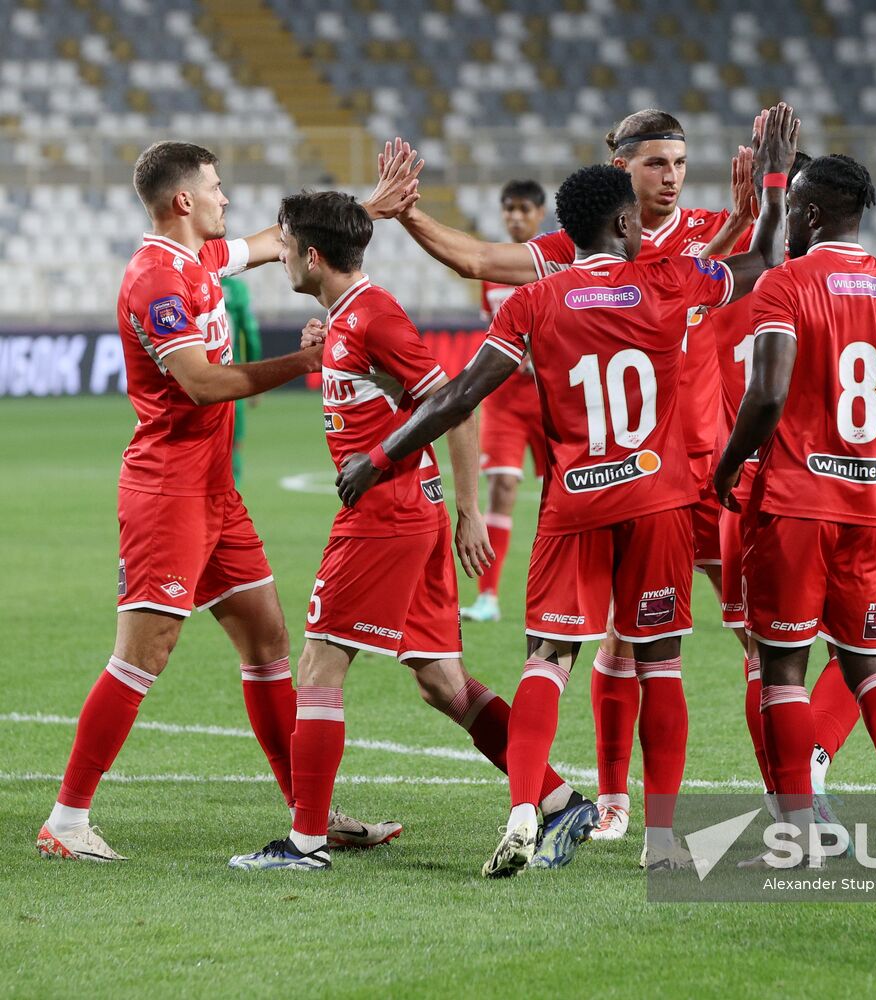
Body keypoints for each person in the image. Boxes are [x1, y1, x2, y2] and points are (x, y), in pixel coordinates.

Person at [337, 103, 800, 875]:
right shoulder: (668, 279)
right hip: (666, 494)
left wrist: (380, 457)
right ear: (623, 211)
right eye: (655, 166)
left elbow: (453, 398)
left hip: (575, 501)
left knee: (547, 661)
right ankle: (660, 840)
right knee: (662, 664)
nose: (671, 179)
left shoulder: (534, 298)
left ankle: (526, 808)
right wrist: (775, 184)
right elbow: (763, 259)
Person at [37, 140, 418, 861]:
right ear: (184, 201)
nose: (226, 198)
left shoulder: (199, 259)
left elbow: (281, 243)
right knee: (143, 655)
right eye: (215, 188)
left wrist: (367, 208)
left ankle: (311, 815)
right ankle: (67, 818)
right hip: (166, 491)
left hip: (215, 492)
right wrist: (303, 361)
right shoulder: (154, 278)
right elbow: (201, 384)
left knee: (268, 642)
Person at [229, 191, 596, 872]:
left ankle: (305, 844)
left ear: (311, 256)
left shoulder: (374, 316)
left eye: (283, 244)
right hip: (405, 513)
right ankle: (558, 798)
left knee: (318, 666)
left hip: (384, 517)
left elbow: (454, 407)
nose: (277, 254)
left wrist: (465, 509)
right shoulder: (345, 318)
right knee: (441, 682)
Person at [714, 154, 876, 872]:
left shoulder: (785, 284)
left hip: (793, 505)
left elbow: (768, 392)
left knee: (781, 671)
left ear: (809, 213)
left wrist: (726, 467)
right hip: (868, 504)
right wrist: (870, 447)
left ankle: (798, 842)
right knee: (868, 664)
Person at [463, 179, 549, 623]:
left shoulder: (558, 261)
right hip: (505, 398)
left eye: (523, 209)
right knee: (501, 486)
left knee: (567, 492)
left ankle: (566, 592)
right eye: (508, 209)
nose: (515, 217)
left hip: (552, 395)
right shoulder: (492, 268)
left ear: (539, 213)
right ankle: (489, 598)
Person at [221, 274, 262, 486]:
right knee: (233, 447)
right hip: (232, 380)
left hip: (195, 378)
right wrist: (254, 382)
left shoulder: (189, 281)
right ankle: (229, 501)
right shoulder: (236, 290)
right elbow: (251, 334)